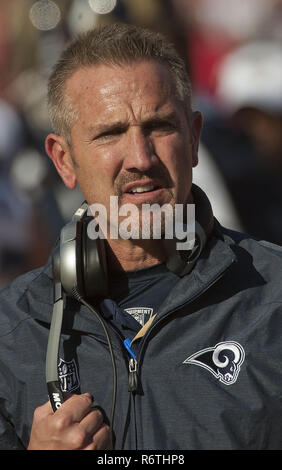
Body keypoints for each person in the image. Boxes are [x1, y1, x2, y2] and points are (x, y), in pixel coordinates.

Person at [1, 23, 282, 451]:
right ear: (64, 160)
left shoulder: (274, 299)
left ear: (194, 140)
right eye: (110, 133)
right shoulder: (10, 331)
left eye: (160, 126)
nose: (140, 158)